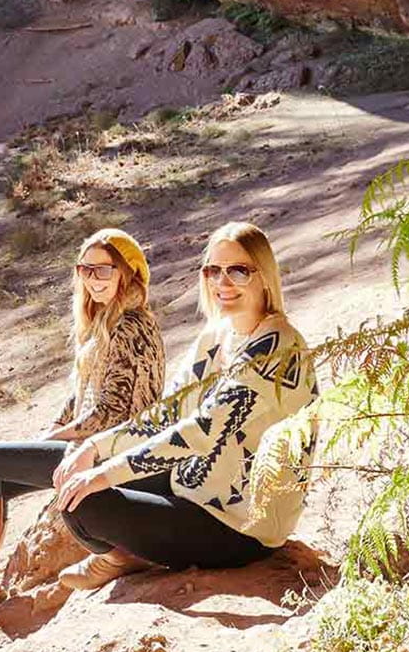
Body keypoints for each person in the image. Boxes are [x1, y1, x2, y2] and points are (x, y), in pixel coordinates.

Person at [48, 221, 320, 590]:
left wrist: (104, 473)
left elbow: (202, 432)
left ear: (265, 276)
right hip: (191, 487)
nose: (223, 283)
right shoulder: (217, 334)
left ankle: (130, 554)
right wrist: (95, 448)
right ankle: (130, 552)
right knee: (76, 485)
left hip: (241, 525)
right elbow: (168, 413)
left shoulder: (276, 347)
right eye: (213, 271)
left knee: (85, 502)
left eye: (239, 271)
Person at [0, 228, 167, 631]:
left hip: (114, 450)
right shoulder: (103, 322)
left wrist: (56, 440)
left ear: (128, 271)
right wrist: (51, 431)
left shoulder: (131, 325)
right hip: (89, 443)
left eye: (104, 269)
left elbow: (114, 411)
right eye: (85, 269)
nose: (93, 278)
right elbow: (80, 399)